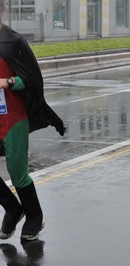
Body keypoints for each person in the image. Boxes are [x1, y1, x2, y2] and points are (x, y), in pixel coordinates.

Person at [0, 0, 65, 241]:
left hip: (14, 118)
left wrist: (8, 82)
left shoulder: (13, 42)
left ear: (3, 10)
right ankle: (13, 208)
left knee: (18, 174)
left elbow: (31, 80)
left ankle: (34, 217)